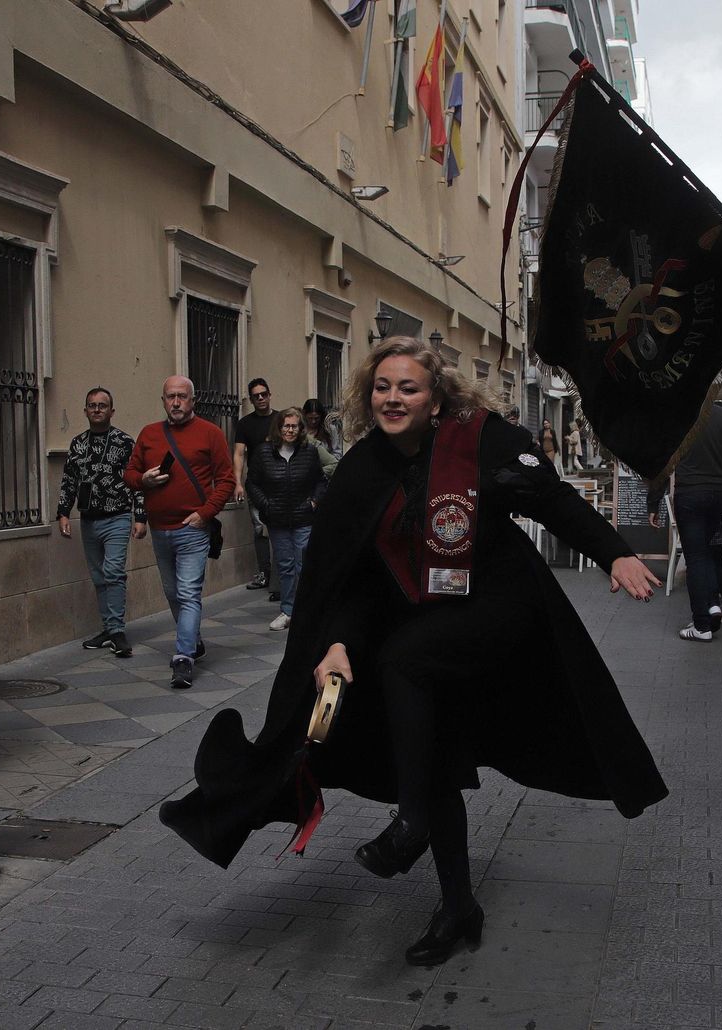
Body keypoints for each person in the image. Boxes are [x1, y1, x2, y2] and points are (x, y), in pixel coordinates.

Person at [159, 337, 666, 967]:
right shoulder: (363, 469)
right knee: (434, 755)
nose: (392, 398)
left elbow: (554, 501)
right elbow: (352, 577)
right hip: (421, 620)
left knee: (403, 662)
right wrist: (337, 642)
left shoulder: (481, 437)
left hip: (496, 606)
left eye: (408, 388)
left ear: (437, 399)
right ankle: (457, 906)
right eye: (382, 387)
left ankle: (412, 823)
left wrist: (612, 550)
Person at [124, 376, 236, 689]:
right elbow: (129, 474)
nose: (176, 403)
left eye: (182, 397)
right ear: (163, 401)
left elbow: (226, 480)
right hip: (160, 530)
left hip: (193, 529)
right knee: (173, 593)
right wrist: (143, 480)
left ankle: (184, 656)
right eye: (171, 397)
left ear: (193, 400)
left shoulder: (210, 433)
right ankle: (194, 639)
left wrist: (205, 513)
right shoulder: (149, 434)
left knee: (188, 593)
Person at [647, 401, 722, 641]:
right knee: (705, 552)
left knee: (695, 557)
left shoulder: (681, 417)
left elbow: (663, 465)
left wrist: (653, 503)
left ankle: (701, 625)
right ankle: (712, 605)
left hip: (690, 494)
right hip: (719, 495)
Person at [57, 387, 147, 657]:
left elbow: (137, 482)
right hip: (88, 519)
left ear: (111, 410)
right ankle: (108, 628)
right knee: (99, 576)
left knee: (113, 572)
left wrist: (140, 516)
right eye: (92, 405)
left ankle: (118, 631)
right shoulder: (78, 443)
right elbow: (69, 480)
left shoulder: (124, 442)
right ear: (85, 411)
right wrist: (63, 512)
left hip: (117, 517)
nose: (97, 409)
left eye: (102, 405)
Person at [244, 407, 328, 632]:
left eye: (294, 426)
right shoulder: (263, 453)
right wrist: (266, 504)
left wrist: (314, 501)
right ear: (279, 428)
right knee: (286, 566)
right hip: (277, 519)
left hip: (304, 517)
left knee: (304, 564)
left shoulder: (309, 452)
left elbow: (320, 481)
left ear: (301, 429)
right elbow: (252, 483)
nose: (290, 430)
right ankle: (288, 610)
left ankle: (306, 610)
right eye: (286, 426)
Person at [233, 379, 277, 598]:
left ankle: (282, 575)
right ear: (250, 399)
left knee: (282, 529)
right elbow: (239, 453)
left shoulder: (280, 419)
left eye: (263, 394)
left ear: (270, 394)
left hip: (280, 483)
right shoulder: (245, 424)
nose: (260, 398)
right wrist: (238, 483)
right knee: (260, 529)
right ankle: (264, 573)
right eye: (256, 396)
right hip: (256, 484)